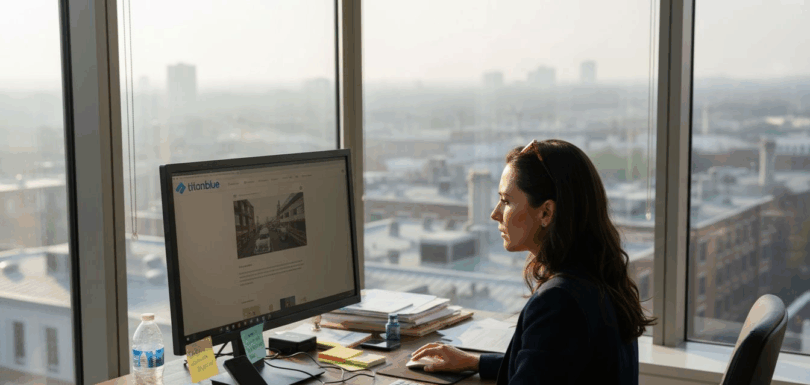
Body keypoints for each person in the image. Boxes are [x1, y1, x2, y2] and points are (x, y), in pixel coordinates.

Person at [411, 139, 655, 384]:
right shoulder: (599, 280)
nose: (495, 213)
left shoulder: (558, 301)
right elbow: (553, 364)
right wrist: (476, 362)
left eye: (506, 201)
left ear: (546, 212)